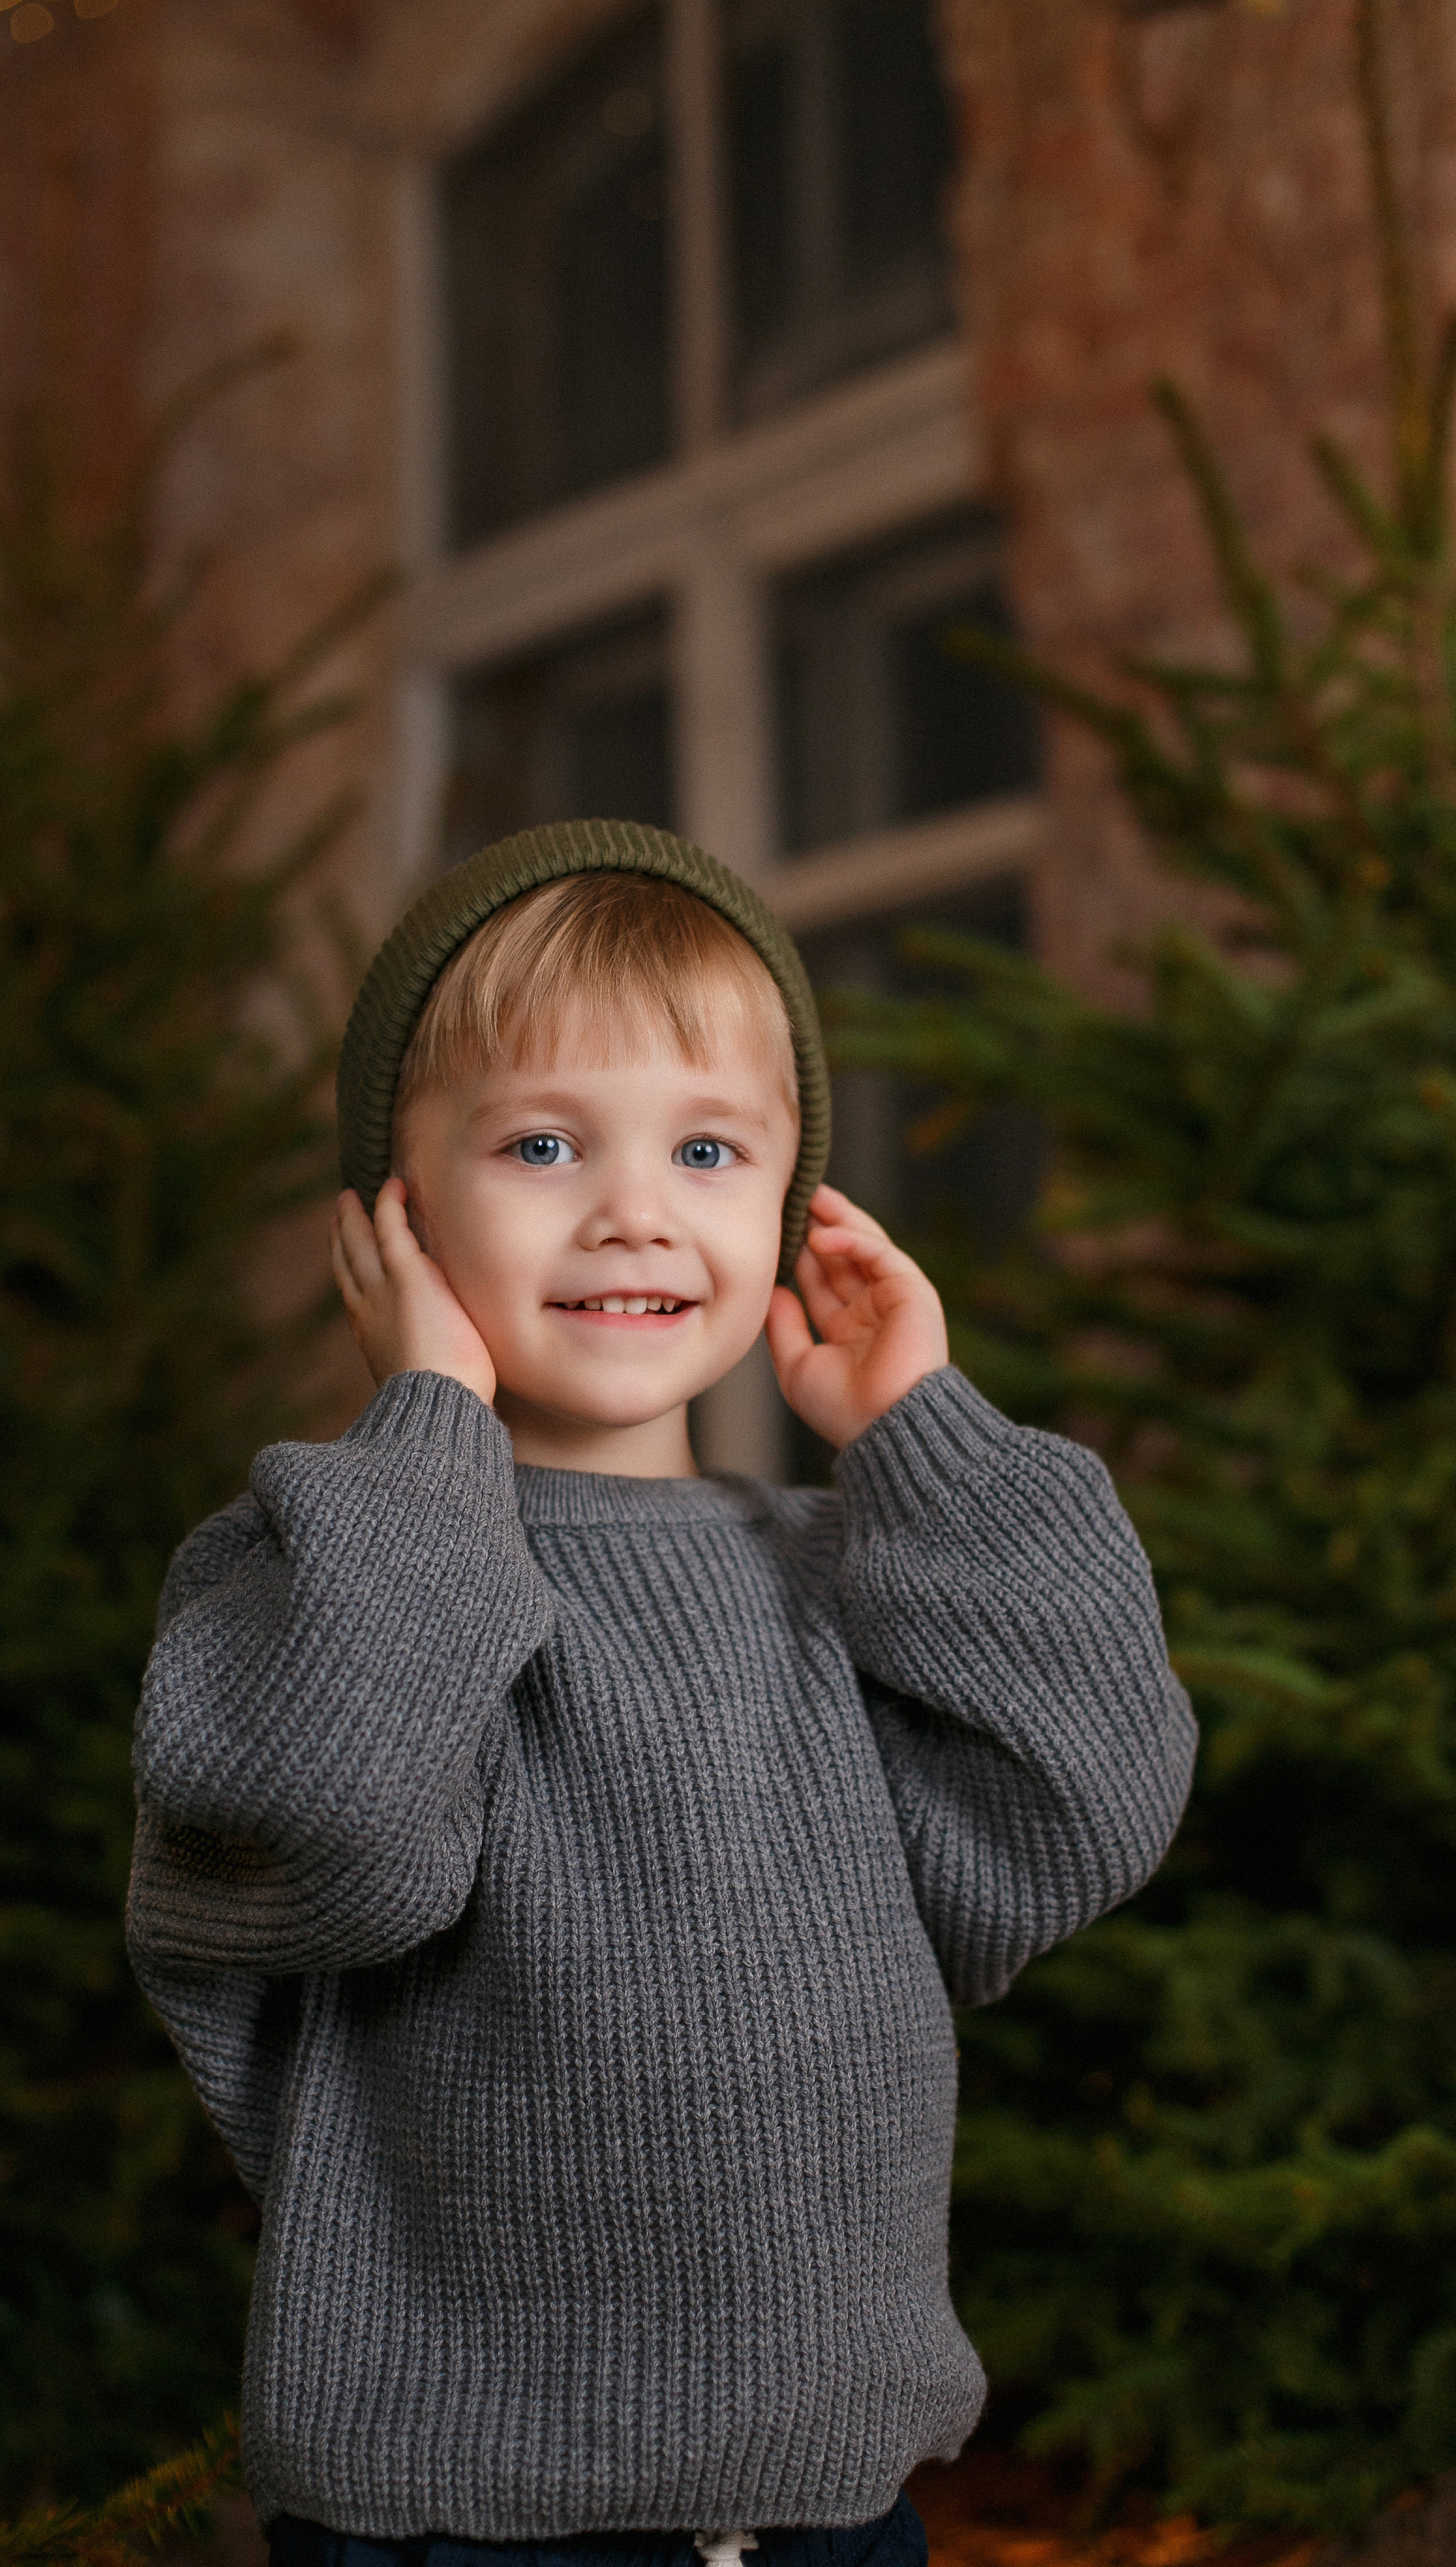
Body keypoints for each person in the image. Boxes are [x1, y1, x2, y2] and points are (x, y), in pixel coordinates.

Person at [127, 821, 1197, 2567]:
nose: (633, 1208)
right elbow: (342, 1842)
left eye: (708, 1148)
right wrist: (427, 1439)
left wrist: (924, 1438)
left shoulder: (852, 1579)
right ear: (386, 1222)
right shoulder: (305, 1566)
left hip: (827, 2509)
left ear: (790, 1208)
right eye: (541, 1142)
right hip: (450, 2518)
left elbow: (1083, 1804)